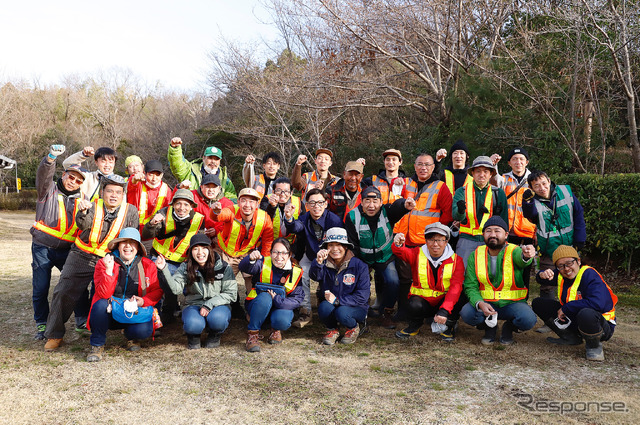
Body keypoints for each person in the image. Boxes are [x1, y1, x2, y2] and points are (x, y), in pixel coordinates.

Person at [44, 174, 139, 351]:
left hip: (109, 258)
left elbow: (130, 237)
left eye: (118, 192)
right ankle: (54, 334)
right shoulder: (92, 205)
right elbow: (83, 224)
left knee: (111, 295)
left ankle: (113, 332)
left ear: (123, 194)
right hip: (81, 255)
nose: (113, 195)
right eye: (109, 191)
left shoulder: (131, 210)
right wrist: (83, 211)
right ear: (102, 192)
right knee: (63, 290)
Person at [31, 145, 90, 339]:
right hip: (43, 247)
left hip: (68, 250)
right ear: (64, 175)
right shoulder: (47, 190)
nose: (73, 181)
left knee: (76, 283)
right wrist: (50, 159)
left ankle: (82, 319)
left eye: (78, 180)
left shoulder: (84, 198)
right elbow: (44, 175)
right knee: (41, 287)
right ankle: (41, 323)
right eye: (70, 177)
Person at [86, 228, 163, 362]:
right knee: (99, 305)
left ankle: (131, 337)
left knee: (145, 330)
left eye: (132, 243)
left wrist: (143, 301)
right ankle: (97, 345)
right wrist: (109, 271)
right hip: (109, 311)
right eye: (124, 242)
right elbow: (103, 294)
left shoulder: (147, 265)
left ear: (138, 247)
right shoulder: (103, 263)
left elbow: (157, 291)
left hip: (134, 311)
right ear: (118, 245)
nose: (128, 246)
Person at [460, 217, 538, 345]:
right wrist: (480, 303)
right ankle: (489, 327)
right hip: (486, 304)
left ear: (506, 234)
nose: (492, 235)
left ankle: (509, 328)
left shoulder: (514, 250)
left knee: (528, 320)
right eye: (488, 231)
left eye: (497, 231)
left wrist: (527, 256)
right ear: (483, 234)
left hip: (511, 304)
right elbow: (470, 285)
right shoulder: (475, 255)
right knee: (467, 313)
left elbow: (522, 259)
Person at [532, 245, 617, 361]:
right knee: (539, 303)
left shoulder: (589, 274)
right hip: (576, 318)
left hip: (600, 324)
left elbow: (599, 303)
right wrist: (541, 274)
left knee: (586, 313)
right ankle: (570, 337)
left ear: (578, 261)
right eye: (560, 266)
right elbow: (542, 279)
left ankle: (594, 346)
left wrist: (567, 308)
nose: (566, 268)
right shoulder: (561, 274)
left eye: (569, 263)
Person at [345, 186, 412, 328]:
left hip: (385, 256)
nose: (371, 205)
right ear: (361, 202)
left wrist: (405, 205)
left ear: (381, 202)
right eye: (367, 201)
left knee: (393, 281)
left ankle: (385, 313)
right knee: (358, 283)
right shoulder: (352, 216)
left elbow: (397, 207)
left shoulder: (387, 211)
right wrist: (359, 266)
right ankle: (362, 311)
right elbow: (352, 244)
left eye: (375, 201)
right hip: (362, 257)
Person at [157, 233, 236, 349]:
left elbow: (231, 294)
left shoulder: (223, 267)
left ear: (210, 249)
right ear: (190, 251)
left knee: (218, 319)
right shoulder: (185, 267)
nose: (200, 253)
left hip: (218, 304)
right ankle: (193, 335)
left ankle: (215, 334)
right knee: (193, 325)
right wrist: (164, 269)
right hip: (193, 304)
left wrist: (209, 304)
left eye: (204, 248)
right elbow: (176, 289)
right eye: (195, 249)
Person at [392, 223, 466, 341]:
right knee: (414, 304)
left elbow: (455, 287)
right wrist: (398, 243)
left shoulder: (457, 260)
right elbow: (400, 251)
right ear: (425, 240)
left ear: (446, 241)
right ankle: (414, 325)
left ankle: (449, 326)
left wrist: (444, 310)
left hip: (444, 302)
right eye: (431, 239)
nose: (435, 244)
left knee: (461, 294)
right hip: (422, 302)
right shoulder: (417, 253)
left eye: (440, 240)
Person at [283, 188, 344, 328]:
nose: (316, 206)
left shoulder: (334, 220)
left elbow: (340, 245)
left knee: (332, 277)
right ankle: (306, 312)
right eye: (312, 203)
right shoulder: (304, 218)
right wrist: (289, 217)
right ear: (307, 205)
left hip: (331, 258)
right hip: (310, 256)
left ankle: (333, 307)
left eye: (320, 202)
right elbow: (295, 227)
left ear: (326, 204)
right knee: (301, 273)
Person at [143, 189, 205, 321]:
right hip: (160, 257)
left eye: (186, 204)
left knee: (191, 284)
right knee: (157, 284)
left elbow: (199, 242)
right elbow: (146, 235)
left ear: (192, 206)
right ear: (173, 204)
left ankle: (187, 311)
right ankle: (158, 315)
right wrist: (152, 224)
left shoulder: (199, 219)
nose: (182, 208)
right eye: (178, 204)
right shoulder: (163, 213)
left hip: (184, 261)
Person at [522, 170, 586, 298]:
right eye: (537, 186)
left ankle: (575, 310)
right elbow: (531, 216)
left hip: (570, 246)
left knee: (576, 280)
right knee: (547, 282)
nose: (542, 188)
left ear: (549, 180)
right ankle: (550, 316)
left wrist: (580, 239)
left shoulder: (565, 192)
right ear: (531, 188)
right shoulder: (533, 200)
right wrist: (527, 203)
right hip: (548, 249)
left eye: (544, 183)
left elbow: (578, 214)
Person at [240, 238, 304, 352]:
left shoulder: (296, 271)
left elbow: (297, 298)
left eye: (283, 253)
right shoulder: (262, 262)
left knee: (282, 321)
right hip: (258, 304)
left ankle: (275, 329)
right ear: (270, 253)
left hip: (280, 306)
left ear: (289, 255)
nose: (279, 256)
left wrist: (277, 300)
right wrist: (250, 258)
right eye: (275, 252)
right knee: (265, 297)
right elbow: (244, 267)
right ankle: (253, 333)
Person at [310, 228, 371, 345]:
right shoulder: (323, 262)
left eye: (339, 245)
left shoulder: (359, 266)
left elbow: (362, 296)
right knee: (323, 307)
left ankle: (353, 328)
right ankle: (332, 330)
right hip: (332, 304)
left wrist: (338, 301)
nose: (334, 249)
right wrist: (317, 263)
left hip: (356, 307)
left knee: (342, 312)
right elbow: (315, 276)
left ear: (346, 246)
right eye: (331, 245)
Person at [211, 188, 274, 299]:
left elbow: (268, 241)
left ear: (257, 204)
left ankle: (251, 303)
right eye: (244, 200)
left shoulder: (264, 218)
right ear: (238, 202)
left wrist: (264, 261)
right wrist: (216, 211)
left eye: (251, 201)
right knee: (224, 282)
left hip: (248, 253)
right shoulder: (231, 210)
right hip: (226, 252)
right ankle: (229, 305)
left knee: (252, 279)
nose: (247, 205)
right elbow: (219, 216)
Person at [452, 155, 508, 265]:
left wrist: (503, 243)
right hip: (466, 240)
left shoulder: (498, 193)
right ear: (472, 173)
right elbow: (456, 216)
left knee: (490, 274)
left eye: (485, 171)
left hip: (491, 240)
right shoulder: (461, 191)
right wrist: (461, 210)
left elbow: (504, 221)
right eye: (478, 171)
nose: (481, 175)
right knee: (463, 273)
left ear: (491, 174)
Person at [394, 153, 453, 246]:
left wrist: (437, 231)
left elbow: (448, 213)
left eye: (427, 165)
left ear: (433, 167)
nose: (423, 168)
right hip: (403, 238)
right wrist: (394, 183)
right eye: (420, 164)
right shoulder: (406, 182)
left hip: (426, 240)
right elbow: (393, 198)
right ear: (415, 166)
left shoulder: (440, 186)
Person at [167, 136, 236, 199]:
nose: (213, 162)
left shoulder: (225, 179)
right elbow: (177, 165)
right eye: (210, 158)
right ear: (203, 158)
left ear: (220, 161)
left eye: (216, 159)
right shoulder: (190, 171)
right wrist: (175, 149)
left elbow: (232, 198)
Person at [127, 160, 172, 233]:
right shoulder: (138, 184)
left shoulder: (167, 190)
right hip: (134, 228)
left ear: (162, 175)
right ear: (145, 173)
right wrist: (134, 179)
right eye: (151, 174)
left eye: (157, 175)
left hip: (153, 231)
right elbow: (131, 185)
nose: (154, 179)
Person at [264, 177, 301, 245]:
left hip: (291, 244)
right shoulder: (266, 200)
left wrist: (289, 219)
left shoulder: (299, 203)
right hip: (269, 243)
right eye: (278, 190)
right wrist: (272, 207)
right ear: (273, 192)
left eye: (286, 191)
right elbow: (263, 221)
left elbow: (300, 228)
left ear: (291, 193)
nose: (282, 194)